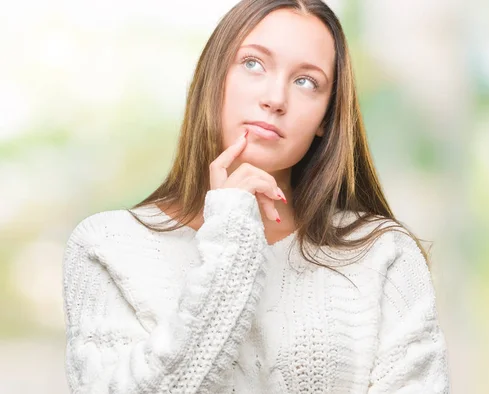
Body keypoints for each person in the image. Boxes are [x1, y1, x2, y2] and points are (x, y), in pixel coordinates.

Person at [61, 0, 451, 393]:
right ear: (215, 78)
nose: (275, 98)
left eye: (306, 82)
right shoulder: (106, 245)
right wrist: (230, 237)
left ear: (324, 120)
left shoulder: (383, 253)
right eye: (253, 64)